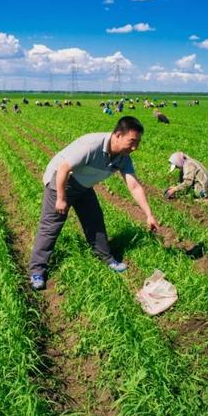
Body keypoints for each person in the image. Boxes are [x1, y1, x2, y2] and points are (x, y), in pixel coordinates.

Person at [28, 116, 160, 290]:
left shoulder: (123, 157)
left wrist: (149, 214)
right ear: (118, 135)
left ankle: (106, 258)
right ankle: (37, 271)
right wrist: (61, 198)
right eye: (132, 141)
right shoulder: (91, 145)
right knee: (51, 225)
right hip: (61, 181)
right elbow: (63, 169)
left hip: (83, 185)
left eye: (138, 142)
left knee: (94, 220)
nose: (135, 147)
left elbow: (134, 186)